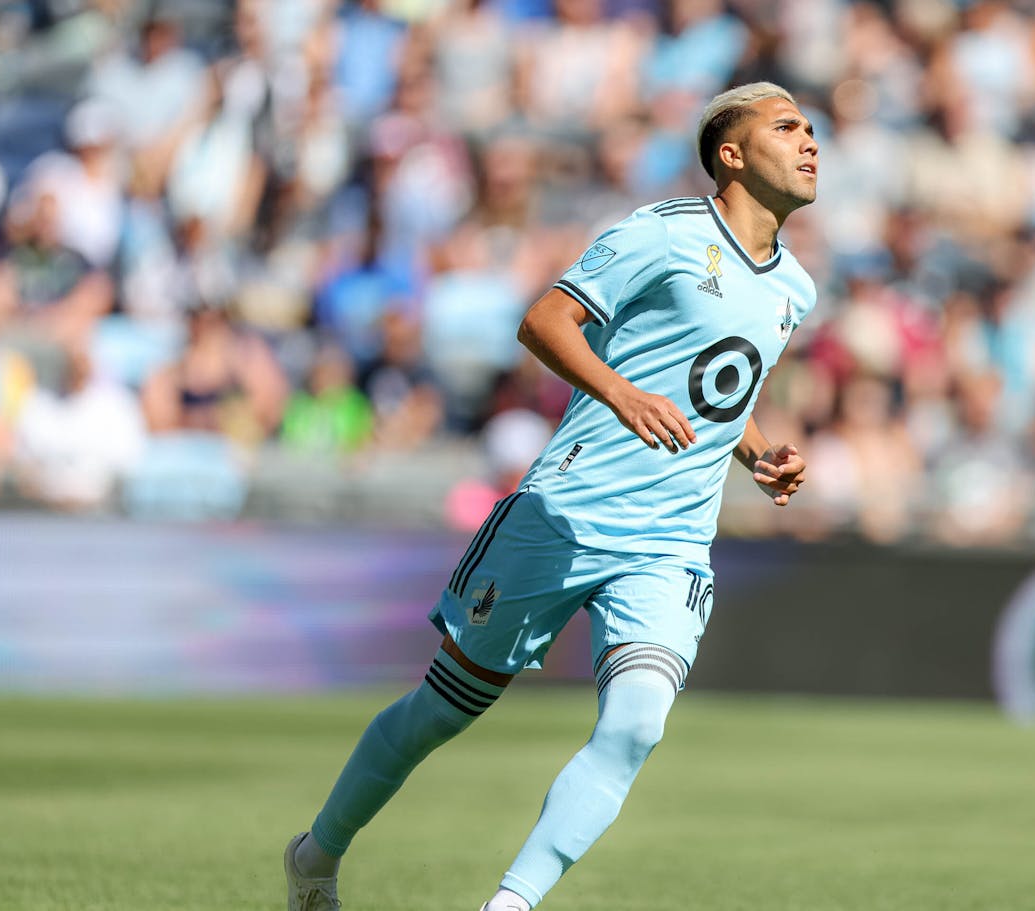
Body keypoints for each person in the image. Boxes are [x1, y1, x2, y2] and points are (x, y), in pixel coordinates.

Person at [283, 81, 820, 911]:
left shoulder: (795, 290)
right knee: (441, 710)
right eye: (788, 127)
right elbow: (544, 322)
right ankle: (316, 854)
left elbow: (712, 388)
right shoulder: (661, 235)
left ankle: (510, 905)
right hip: (565, 513)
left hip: (670, 542)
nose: (810, 141)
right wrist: (620, 395)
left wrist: (754, 453)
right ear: (733, 153)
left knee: (637, 724)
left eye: (812, 128)